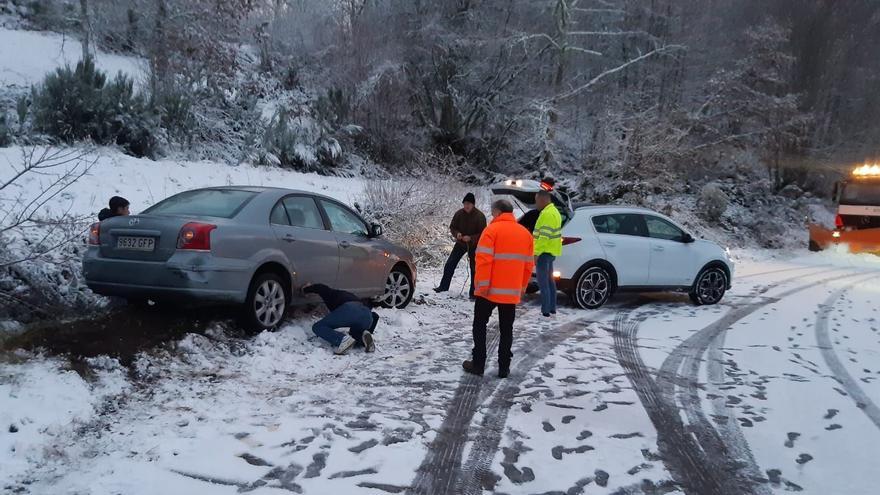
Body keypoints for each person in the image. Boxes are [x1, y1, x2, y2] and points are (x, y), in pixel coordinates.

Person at [463, 199, 534, 379]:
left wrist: (482, 286)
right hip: (510, 293)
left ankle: (478, 363)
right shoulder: (525, 234)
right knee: (506, 329)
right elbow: (528, 265)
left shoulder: (491, 230)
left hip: (489, 291)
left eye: (493, 212)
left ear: (497, 212)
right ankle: (504, 367)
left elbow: (484, 261)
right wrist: (522, 287)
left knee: (479, 325)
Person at [434, 193, 487, 298]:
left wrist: (471, 238)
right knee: (450, 264)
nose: (466, 206)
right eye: (465, 203)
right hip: (461, 243)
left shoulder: (480, 216)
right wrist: (457, 233)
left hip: (475, 245)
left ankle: (474, 292)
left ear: (473, 205)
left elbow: (483, 233)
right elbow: (452, 227)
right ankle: (443, 287)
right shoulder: (459, 213)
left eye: (469, 204)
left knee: (474, 268)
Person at [303, 283, 380, 355]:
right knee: (356, 333)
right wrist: (369, 330)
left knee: (318, 327)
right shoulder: (350, 296)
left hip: (349, 309)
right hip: (367, 314)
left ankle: (343, 341)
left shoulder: (331, 293)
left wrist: (305, 289)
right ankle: (364, 337)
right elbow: (375, 316)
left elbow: (321, 288)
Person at [533, 189, 563, 317]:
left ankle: (545, 310)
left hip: (544, 253)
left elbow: (544, 237)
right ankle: (552, 308)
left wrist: (536, 253)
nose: (536, 204)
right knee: (550, 282)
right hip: (551, 252)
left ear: (542, 200)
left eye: (536, 201)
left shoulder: (547, 214)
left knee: (543, 282)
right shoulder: (554, 212)